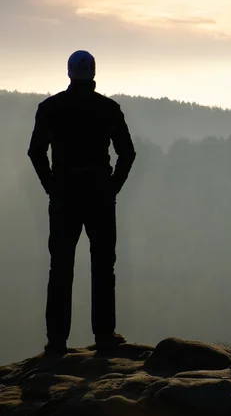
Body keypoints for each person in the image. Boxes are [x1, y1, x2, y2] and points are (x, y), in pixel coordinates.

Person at [27, 50, 136, 355]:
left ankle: (57, 341)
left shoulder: (50, 108)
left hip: (64, 194)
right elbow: (127, 153)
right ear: (94, 73)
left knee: (60, 266)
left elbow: (36, 152)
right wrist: (112, 186)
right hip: (99, 193)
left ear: (69, 73)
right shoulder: (108, 109)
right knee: (103, 264)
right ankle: (103, 335)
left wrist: (52, 186)